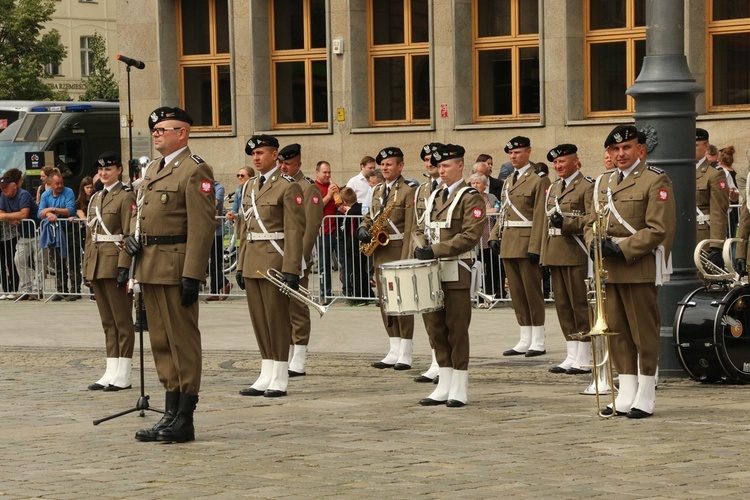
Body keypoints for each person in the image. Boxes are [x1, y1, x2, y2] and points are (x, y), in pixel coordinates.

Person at [124, 106, 216, 443]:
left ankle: (185, 418)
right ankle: (170, 411)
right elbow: (145, 217)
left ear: (183, 133)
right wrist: (133, 242)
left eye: (164, 129)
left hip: (177, 268)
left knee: (183, 342)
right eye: (155, 130)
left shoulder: (194, 170)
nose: (157, 134)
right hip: (150, 265)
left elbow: (202, 228)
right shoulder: (153, 169)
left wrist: (193, 274)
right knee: (161, 343)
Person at [585, 125, 675, 419]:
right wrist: (593, 242)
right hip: (608, 268)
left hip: (637, 266)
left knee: (642, 331)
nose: (620, 154)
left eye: (626, 148)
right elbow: (590, 222)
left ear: (640, 150)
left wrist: (623, 249)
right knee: (618, 332)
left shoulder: (654, 180)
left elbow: (658, 228)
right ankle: (625, 392)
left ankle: (646, 392)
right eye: (615, 149)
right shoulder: (603, 182)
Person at [412, 143, 485, 407]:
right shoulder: (434, 195)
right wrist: (420, 245)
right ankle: (443, 383)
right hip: (432, 271)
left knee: (456, 329)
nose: (441, 170)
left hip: (456, 271)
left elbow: (469, 236)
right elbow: (421, 227)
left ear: (460, 166)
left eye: (446, 166)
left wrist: (434, 250)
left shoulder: (470, 197)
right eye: (439, 166)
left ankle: (460, 386)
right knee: (435, 328)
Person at [235, 134, 304, 397]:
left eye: (261, 153)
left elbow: (294, 231)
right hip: (252, 258)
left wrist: (292, 268)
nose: (256, 158)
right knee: (259, 320)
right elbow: (244, 227)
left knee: (276, 319)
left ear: (275, 155)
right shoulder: (249, 185)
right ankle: (266, 371)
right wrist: (240, 265)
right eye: (253, 154)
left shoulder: (287, 186)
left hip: (275, 260)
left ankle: (280, 374)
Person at [357, 147, 418, 370]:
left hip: (398, 248)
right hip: (380, 252)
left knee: (402, 302)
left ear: (400, 166)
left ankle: (406, 351)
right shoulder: (377, 190)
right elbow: (369, 216)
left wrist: (406, 258)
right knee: (385, 302)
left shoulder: (409, 191)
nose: (385, 168)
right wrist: (363, 228)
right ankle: (393, 348)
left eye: (389, 164)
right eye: (382, 164)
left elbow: (412, 226)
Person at [489, 136, 550, 357]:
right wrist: (494, 235)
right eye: (511, 153)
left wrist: (536, 247)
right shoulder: (508, 180)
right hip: (509, 241)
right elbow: (503, 210)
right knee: (516, 292)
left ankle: (539, 339)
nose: (513, 156)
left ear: (528, 152)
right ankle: (525, 337)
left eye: (518, 152)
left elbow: (541, 215)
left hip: (527, 241)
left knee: (532, 292)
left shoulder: (539, 179)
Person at [83, 152, 136, 392]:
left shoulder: (125, 197)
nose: (104, 173)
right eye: (101, 170)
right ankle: (111, 369)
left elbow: (129, 233)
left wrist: (125, 265)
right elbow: (90, 236)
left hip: (115, 263)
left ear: (119, 170)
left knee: (122, 321)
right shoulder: (95, 197)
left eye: (109, 169)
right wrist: (86, 268)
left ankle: (123, 373)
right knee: (108, 322)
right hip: (98, 264)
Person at [541, 144, 594, 375]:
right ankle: (571, 353)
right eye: (556, 163)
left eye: (562, 161)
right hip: (556, 251)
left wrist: (569, 224)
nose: (558, 166)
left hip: (576, 251)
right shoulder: (553, 187)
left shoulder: (587, 186)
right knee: (562, 305)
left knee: (579, 304)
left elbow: (592, 219)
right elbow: (546, 222)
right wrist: (543, 254)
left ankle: (585, 354)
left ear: (575, 161)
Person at [277, 142, 324, 377]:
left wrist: (300, 260)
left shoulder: (308, 188)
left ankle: (299, 357)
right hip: (278, 256)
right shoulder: (279, 185)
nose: (283, 167)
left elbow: (311, 226)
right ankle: (283, 354)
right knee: (280, 309)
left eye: (288, 163)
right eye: (281, 163)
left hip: (298, 259)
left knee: (296, 307)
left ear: (298, 163)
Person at [410, 143, 443, 383]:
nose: (429, 163)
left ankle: (445, 362)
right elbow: (417, 225)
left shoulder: (450, 189)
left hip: (444, 255)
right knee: (429, 312)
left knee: (447, 315)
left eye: (434, 159)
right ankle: (435, 359)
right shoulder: (421, 190)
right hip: (425, 256)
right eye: (426, 160)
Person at [38, 171, 77, 301]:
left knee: (72, 261)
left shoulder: (69, 192)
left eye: (61, 183)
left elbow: (70, 210)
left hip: (69, 230)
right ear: (50, 184)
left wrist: (52, 209)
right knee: (57, 261)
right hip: (54, 232)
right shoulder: (45, 195)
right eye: (57, 183)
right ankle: (61, 290)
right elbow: (40, 213)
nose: (60, 185)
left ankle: (75, 290)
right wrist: (48, 214)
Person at [0, 169, 38, 300]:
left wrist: (6, 216)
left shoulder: (23, 195)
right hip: (24, 234)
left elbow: (23, 214)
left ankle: (38, 289)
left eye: (6, 187)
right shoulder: (4, 197)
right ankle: (26, 288)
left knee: (38, 261)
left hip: (37, 232)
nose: (4, 190)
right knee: (18, 259)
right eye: (2, 188)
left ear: (14, 186)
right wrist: (10, 218)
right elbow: (0, 213)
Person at [695, 128, 729, 269]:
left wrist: (716, 246)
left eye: (695, 145)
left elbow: (718, 212)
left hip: (703, 238)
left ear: (706, 146)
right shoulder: (678, 172)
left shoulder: (714, 174)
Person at [469, 172, 500, 303]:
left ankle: (491, 294)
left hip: (489, 238)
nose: (475, 185)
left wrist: (493, 211)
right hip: (476, 241)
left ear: (485, 185)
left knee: (492, 269)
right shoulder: (469, 198)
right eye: (473, 183)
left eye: (478, 183)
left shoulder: (491, 197)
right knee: (477, 269)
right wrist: (488, 212)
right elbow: (472, 214)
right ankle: (477, 296)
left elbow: (497, 210)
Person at [314, 160, 342, 302]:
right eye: (324, 172)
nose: (327, 175)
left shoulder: (333, 186)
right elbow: (316, 207)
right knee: (325, 265)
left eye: (329, 172)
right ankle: (326, 293)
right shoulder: (314, 188)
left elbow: (340, 205)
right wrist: (329, 196)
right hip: (322, 232)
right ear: (317, 172)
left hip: (336, 230)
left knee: (344, 261)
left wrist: (338, 197)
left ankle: (349, 289)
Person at [206, 179, 230, 301]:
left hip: (216, 231)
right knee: (205, 262)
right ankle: (220, 285)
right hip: (204, 230)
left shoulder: (218, 188)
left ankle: (218, 288)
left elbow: (214, 203)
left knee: (215, 262)